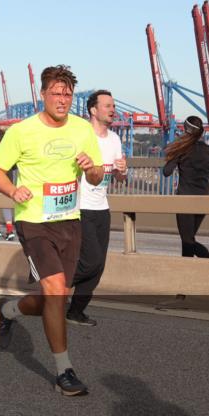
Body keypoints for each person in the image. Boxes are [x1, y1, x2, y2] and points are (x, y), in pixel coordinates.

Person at [0, 65, 104, 397]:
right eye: (56, 92)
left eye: (68, 94)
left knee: (57, 298)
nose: (62, 99)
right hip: (34, 221)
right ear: (43, 94)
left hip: (70, 221)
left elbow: (97, 176)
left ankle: (7, 310)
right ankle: (63, 370)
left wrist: (91, 169)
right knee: (54, 291)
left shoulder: (83, 130)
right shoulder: (22, 131)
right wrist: (12, 191)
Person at [68, 90, 127, 326]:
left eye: (113, 106)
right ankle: (52, 287)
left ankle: (75, 311)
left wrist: (122, 171)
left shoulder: (114, 139)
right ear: (93, 110)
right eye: (107, 106)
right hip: (79, 207)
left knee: (98, 266)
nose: (113, 110)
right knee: (90, 261)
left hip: (102, 207)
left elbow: (120, 178)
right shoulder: (79, 136)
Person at [162, 115, 209, 258]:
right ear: (201, 133)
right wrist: (207, 170)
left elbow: (166, 172)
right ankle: (189, 273)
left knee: (187, 240)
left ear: (186, 130)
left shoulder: (181, 149)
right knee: (188, 239)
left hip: (184, 200)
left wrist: (174, 160)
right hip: (203, 200)